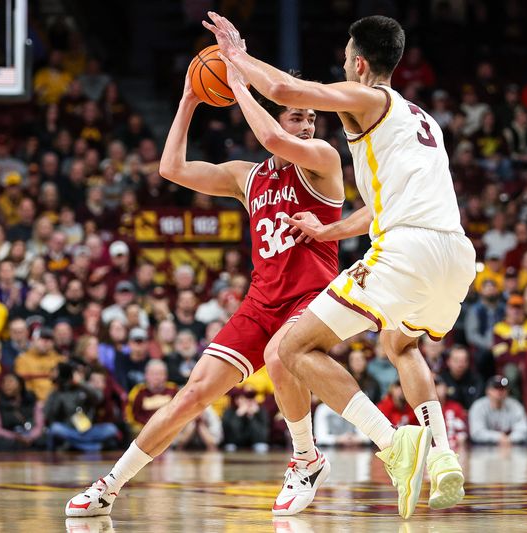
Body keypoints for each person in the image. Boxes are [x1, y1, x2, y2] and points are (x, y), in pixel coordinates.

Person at [206, 13, 474, 516]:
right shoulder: (424, 121)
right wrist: (330, 231)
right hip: (455, 254)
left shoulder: (370, 98)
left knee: (290, 347)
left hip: (407, 250)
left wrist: (234, 57)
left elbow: (286, 89)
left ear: (359, 62)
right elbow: (378, 208)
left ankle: (392, 444)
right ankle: (442, 458)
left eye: (346, 59)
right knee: (402, 344)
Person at [66, 54, 345, 518]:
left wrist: (239, 86)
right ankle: (109, 486)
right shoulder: (247, 176)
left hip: (310, 297)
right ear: (278, 117)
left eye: (312, 117)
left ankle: (306, 457)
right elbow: (171, 169)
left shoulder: (323, 161)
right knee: (191, 396)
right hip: (262, 300)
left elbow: (272, 137)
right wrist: (189, 99)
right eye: (297, 115)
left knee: (281, 355)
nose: (307, 125)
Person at [468, 375, 527, 445]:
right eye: (496, 388)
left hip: (511, 445)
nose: (500, 392)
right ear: (488, 391)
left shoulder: (515, 406)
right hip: (484, 446)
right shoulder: (478, 406)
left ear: (507, 391)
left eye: (503, 388)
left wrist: (510, 439)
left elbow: (524, 430)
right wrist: (498, 437)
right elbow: (476, 433)